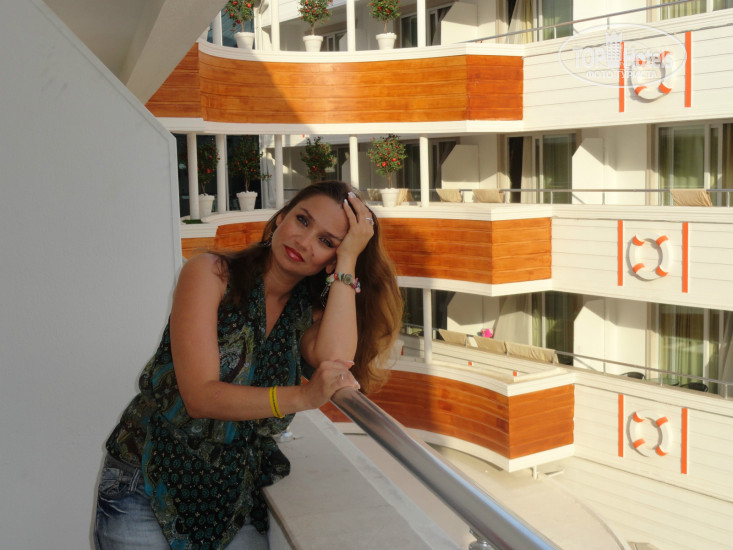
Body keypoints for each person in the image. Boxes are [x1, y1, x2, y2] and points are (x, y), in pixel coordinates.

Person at [94, 180, 403, 550]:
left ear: (331, 260)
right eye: (302, 220)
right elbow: (200, 397)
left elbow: (335, 361)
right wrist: (303, 396)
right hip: (144, 480)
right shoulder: (210, 273)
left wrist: (349, 259)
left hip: (232, 494)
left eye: (326, 241)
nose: (304, 241)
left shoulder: (305, 313)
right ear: (281, 218)